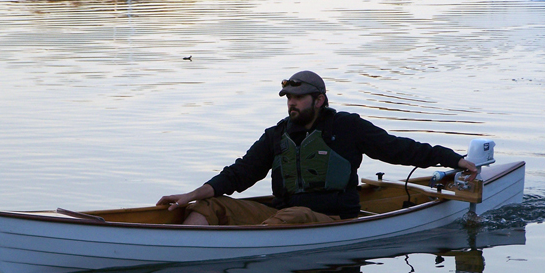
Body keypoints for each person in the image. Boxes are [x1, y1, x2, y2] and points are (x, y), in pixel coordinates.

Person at [157, 70, 477, 226]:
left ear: (319, 100)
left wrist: (452, 160)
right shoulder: (276, 135)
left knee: (293, 215)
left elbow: (399, 150)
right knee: (209, 206)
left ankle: (225, 247)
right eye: (288, 99)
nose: (292, 104)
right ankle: (188, 247)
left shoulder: (347, 127)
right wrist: (192, 196)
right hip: (283, 218)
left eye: (298, 99)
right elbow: (240, 173)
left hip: (335, 220)